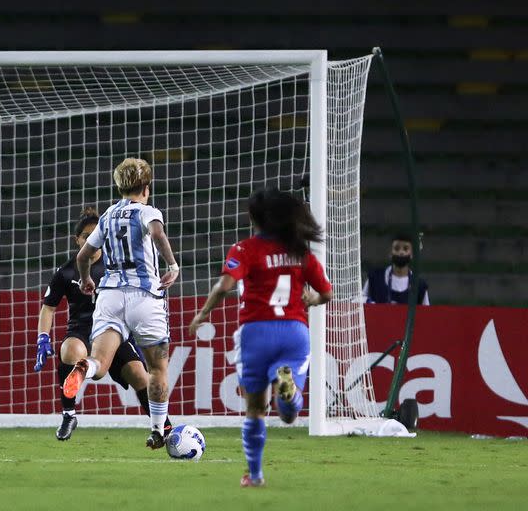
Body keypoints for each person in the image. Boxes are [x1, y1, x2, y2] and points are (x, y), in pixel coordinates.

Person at [188, 188, 333, 488]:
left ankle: (255, 476)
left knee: (255, 408)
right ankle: (288, 390)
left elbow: (223, 285)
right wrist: (311, 299)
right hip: (294, 332)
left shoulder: (244, 250)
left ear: (254, 218)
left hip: (256, 333)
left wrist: (203, 314)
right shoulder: (299, 252)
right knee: (290, 414)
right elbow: (327, 293)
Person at [62, 158, 180, 450]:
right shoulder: (147, 211)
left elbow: (82, 257)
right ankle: (157, 430)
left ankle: (83, 368)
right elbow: (157, 233)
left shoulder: (107, 216)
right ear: (146, 188)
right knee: (157, 369)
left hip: (110, 295)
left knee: (100, 364)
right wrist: (173, 264)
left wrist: (87, 279)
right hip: (144, 297)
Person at [34, 207, 172, 440]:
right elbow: (48, 307)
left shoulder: (116, 265)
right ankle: (69, 414)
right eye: (86, 237)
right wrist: (43, 337)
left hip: (113, 330)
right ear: (76, 240)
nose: (92, 240)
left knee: (140, 375)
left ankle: (163, 427)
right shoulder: (66, 272)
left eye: (95, 235)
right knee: (70, 350)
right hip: (82, 330)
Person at [363, 232, 430, 305]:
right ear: (390, 253)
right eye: (397, 248)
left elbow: (427, 312)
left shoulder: (419, 285)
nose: (401, 252)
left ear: (411, 254)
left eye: (405, 249)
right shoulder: (375, 277)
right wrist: (368, 301)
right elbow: (360, 299)